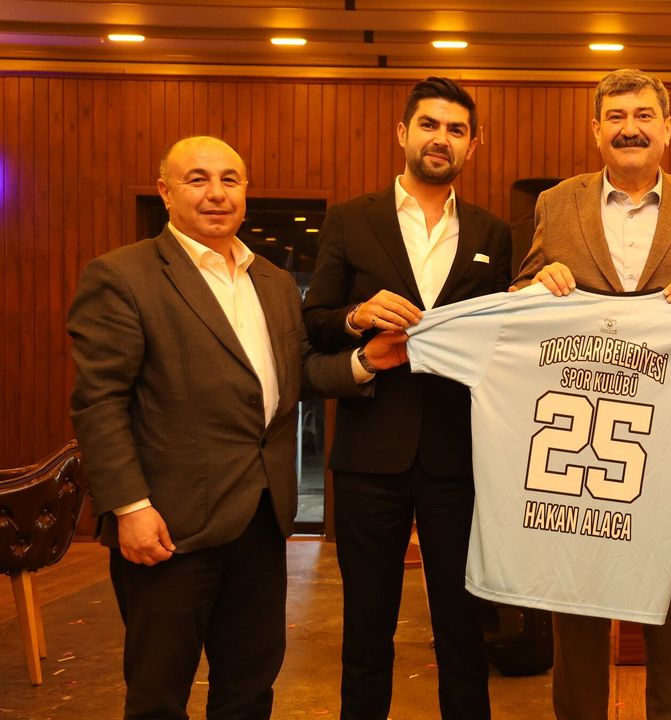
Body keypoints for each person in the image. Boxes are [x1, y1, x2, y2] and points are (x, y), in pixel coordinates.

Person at [67, 136, 407, 719]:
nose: (216, 194)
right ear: (165, 191)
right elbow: (99, 402)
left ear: (245, 191)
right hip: (168, 525)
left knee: (249, 689)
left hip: (261, 518)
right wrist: (129, 506)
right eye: (197, 179)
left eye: (230, 179)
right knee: (158, 694)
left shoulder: (271, 280)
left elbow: (293, 373)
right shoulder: (123, 276)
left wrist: (364, 362)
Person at [512, 67, 671, 720]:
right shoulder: (556, 203)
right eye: (615, 117)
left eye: (644, 116)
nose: (630, 128)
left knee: (670, 605)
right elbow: (518, 295)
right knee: (577, 605)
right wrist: (538, 283)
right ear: (596, 130)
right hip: (576, 444)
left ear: (667, 128)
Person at [302, 77, 512, 720]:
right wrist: (358, 318)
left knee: (463, 631)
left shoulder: (492, 232)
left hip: (461, 458)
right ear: (403, 132)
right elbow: (315, 323)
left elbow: (505, 339)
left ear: (473, 144)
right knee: (366, 630)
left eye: (456, 129)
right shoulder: (350, 219)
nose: (441, 138)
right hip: (369, 456)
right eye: (429, 124)